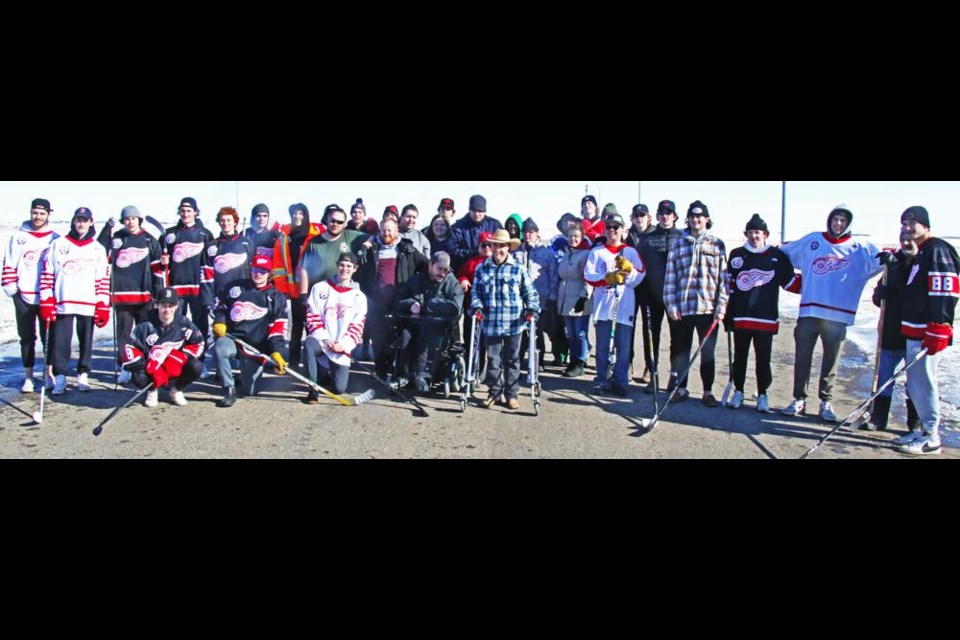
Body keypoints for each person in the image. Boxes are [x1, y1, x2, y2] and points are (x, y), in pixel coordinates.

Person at [779, 204, 883, 421]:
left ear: (848, 224)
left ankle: (826, 401)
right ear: (829, 220)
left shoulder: (860, 247)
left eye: (843, 221)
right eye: (835, 219)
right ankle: (799, 398)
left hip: (838, 316)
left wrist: (895, 259)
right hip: (809, 311)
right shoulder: (812, 241)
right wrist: (791, 282)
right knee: (803, 358)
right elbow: (782, 253)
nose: (838, 224)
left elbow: (883, 260)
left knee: (831, 360)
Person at [893, 206, 959, 455]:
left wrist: (940, 326)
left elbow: (946, 289)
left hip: (928, 331)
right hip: (914, 329)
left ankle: (932, 437)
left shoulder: (937, 249)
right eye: (904, 224)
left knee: (925, 382)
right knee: (915, 384)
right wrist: (906, 258)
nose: (907, 228)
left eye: (912, 223)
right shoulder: (919, 253)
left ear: (926, 226)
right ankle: (921, 431)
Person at [725, 214, 799, 412]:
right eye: (750, 232)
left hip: (765, 318)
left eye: (757, 232)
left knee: (763, 358)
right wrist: (727, 313)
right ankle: (738, 391)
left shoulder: (776, 256)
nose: (754, 236)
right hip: (741, 317)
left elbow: (790, 283)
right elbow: (729, 286)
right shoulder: (736, 254)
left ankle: (762, 394)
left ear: (765, 234)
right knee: (740, 357)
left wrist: (815, 283)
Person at [38, 207, 110, 394]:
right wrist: (47, 300)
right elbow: (47, 274)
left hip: (87, 302)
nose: (81, 223)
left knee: (86, 340)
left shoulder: (97, 249)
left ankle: (83, 374)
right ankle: (60, 377)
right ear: (73, 221)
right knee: (61, 341)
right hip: (64, 302)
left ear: (91, 222)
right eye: (78, 220)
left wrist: (103, 304)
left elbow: (102, 279)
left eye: (85, 220)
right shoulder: (58, 244)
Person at [663, 200, 728, 406]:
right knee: (681, 351)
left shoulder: (717, 244)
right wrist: (671, 304)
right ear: (688, 219)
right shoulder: (678, 243)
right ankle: (681, 389)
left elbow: (724, 280)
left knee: (707, 353)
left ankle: (707, 392)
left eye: (699, 217)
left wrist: (721, 307)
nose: (695, 220)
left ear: (707, 219)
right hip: (683, 309)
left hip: (708, 309)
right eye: (692, 217)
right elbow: (670, 277)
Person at [469, 229, 540, 410]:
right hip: (490, 321)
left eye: (502, 246)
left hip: (514, 322)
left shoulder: (518, 268)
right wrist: (476, 306)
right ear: (490, 246)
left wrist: (532, 308)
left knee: (512, 359)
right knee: (493, 360)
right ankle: (494, 392)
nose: (498, 249)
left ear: (509, 247)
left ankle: (511, 394)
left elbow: (530, 292)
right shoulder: (481, 268)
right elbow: (475, 292)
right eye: (495, 245)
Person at [211, 255, 288, 407]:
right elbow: (221, 307)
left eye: (263, 271)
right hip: (233, 340)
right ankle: (229, 389)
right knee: (220, 347)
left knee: (250, 391)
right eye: (255, 269)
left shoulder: (276, 297)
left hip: (255, 348)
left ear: (269, 273)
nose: (258, 274)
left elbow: (277, 328)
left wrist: (276, 351)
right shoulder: (235, 288)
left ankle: (246, 375)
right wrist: (220, 322)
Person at [356, 218, 429, 379]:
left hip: (399, 302)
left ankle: (400, 374)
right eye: (383, 230)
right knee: (378, 339)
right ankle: (381, 372)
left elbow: (427, 264)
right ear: (379, 231)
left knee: (401, 338)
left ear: (397, 231)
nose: (386, 233)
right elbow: (355, 268)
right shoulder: (371, 249)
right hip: (376, 302)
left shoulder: (406, 249)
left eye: (390, 230)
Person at [861, 230, 918, 432]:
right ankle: (878, 418)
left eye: (910, 240)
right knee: (883, 378)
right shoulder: (891, 264)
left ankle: (915, 423)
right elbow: (877, 299)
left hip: (913, 333)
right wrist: (880, 294)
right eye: (903, 240)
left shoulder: (922, 265)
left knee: (914, 383)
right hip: (890, 331)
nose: (906, 243)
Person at [584, 213, 646, 396]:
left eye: (616, 227)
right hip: (604, 308)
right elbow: (588, 275)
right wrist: (606, 278)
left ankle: (620, 380)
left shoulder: (630, 252)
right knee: (603, 347)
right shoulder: (597, 252)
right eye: (609, 227)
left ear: (623, 230)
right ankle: (602, 379)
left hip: (624, 306)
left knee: (623, 347)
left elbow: (640, 276)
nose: (612, 230)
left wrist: (629, 271)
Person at [2, 198, 60, 392]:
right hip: (24, 296)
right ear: (30, 213)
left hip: (46, 297)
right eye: (35, 212)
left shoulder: (55, 238)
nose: (38, 216)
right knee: (27, 338)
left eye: (42, 213)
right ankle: (28, 377)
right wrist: (12, 291)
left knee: (49, 337)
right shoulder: (19, 237)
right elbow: (9, 264)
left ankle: (49, 374)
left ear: (48, 215)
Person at [119, 287, 205, 407]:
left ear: (176, 306)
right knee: (138, 376)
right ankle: (152, 390)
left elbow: (198, 342)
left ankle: (176, 389)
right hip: (151, 369)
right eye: (163, 305)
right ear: (157, 305)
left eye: (171, 305)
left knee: (197, 366)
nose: (167, 309)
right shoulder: (145, 324)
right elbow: (130, 347)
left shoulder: (184, 323)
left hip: (174, 368)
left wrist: (181, 357)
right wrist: (147, 364)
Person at [391, 251, 464, 392]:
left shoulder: (452, 283)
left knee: (429, 337)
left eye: (445, 270)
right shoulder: (417, 279)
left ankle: (423, 376)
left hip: (440, 327)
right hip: (416, 323)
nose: (442, 273)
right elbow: (399, 299)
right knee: (405, 335)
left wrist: (434, 305)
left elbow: (456, 307)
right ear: (430, 265)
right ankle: (405, 376)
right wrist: (411, 303)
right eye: (439, 268)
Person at [107, 206, 164, 384]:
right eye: (127, 219)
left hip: (144, 296)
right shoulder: (116, 239)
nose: (130, 222)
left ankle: (145, 365)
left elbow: (156, 270)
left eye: (133, 218)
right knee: (123, 334)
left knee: (145, 332)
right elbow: (104, 260)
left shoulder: (149, 240)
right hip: (122, 296)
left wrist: (158, 294)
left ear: (139, 220)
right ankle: (125, 365)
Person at [161, 197, 216, 377]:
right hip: (176, 291)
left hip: (198, 289)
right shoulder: (169, 234)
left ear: (196, 212)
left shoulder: (205, 234)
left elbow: (211, 262)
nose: (185, 213)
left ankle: (199, 362)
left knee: (200, 328)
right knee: (175, 327)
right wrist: (163, 261)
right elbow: (158, 257)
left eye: (189, 210)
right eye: (183, 210)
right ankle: (174, 362)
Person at [303, 252, 367, 401]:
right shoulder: (319, 288)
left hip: (341, 346)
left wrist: (343, 344)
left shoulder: (359, 296)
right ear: (337, 266)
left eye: (349, 266)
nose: (345, 268)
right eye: (342, 265)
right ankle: (313, 388)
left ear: (355, 269)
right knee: (309, 345)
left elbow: (358, 326)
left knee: (338, 389)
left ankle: (326, 372)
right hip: (321, 340)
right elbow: (312, 316)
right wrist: (325, 338)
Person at [636, 200, 684, 392]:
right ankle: (652, 373)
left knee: (677, 338)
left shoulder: (683, 238)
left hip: (675, 298)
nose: (665, 216)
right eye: (662, 213)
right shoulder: (647, 239)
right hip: (651, 296)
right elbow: (639, 267)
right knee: (650, 336)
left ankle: (675, 375)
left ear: (674, 216)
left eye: (669, 212)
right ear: (656, 216)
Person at [271, 202, 323, 369]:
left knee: (313, 329)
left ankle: (312, 364)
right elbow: (278, 268)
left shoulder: (316, 234)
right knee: (296, 330)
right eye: (294, 213)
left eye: (301, 213)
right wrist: (283, 290)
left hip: (314, 291)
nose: (297, 216)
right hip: (294, 292)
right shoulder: (284, 237)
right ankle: (293, 363)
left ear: (306, 215)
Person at [519, 217, 558, 368]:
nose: (528, 235)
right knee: (521, 333)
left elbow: (554, 276)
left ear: (537, 233)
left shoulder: (547, 254)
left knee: (537, 332)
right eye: (525, 232)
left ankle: (538, 362)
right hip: (520, 299)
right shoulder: (517, 252)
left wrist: (552, 297)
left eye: (531, 232)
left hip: (541, 299)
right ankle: (520, 361)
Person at [557, 222, 593, 378]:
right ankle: (573, 359)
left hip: (579, 298)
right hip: (565, 298)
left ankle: (581, 360)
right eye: (570, 236)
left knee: (580, 333)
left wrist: (584, 297)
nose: (573, 239)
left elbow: (588, 278)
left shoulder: (586, 255)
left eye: (576, 236)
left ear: (582, 237)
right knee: (570, 333)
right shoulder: (566, 254)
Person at [625, 203, 655, 383]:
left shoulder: (655, 234)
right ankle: (627, 364)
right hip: (631, 287)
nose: (639, 218)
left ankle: (650, 368)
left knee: (649, 329)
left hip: (650, 289)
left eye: (642, 215)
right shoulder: (627, 235)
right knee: (628, 327)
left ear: (648, 217)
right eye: (636, 215)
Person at [210, 206, 255, 306]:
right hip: (220, 298)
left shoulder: (247, 243)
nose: (225, 223)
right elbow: (207, 274)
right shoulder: (211, 246)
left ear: (235, 222)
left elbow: (254, 271)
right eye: (222, 220)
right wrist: (208, 299)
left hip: (243, 295)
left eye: (228, 220)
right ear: (219, 222)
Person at [450, 195, 503, 272]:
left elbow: (504, 246)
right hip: (467, 271)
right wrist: (475, 252)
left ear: (485, 211)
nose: (477, 214)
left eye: (480, 211)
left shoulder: (495, 225)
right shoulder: (457, 227)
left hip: (493, 270)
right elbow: (453, 251)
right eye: (474, 210)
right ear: (469, 209)